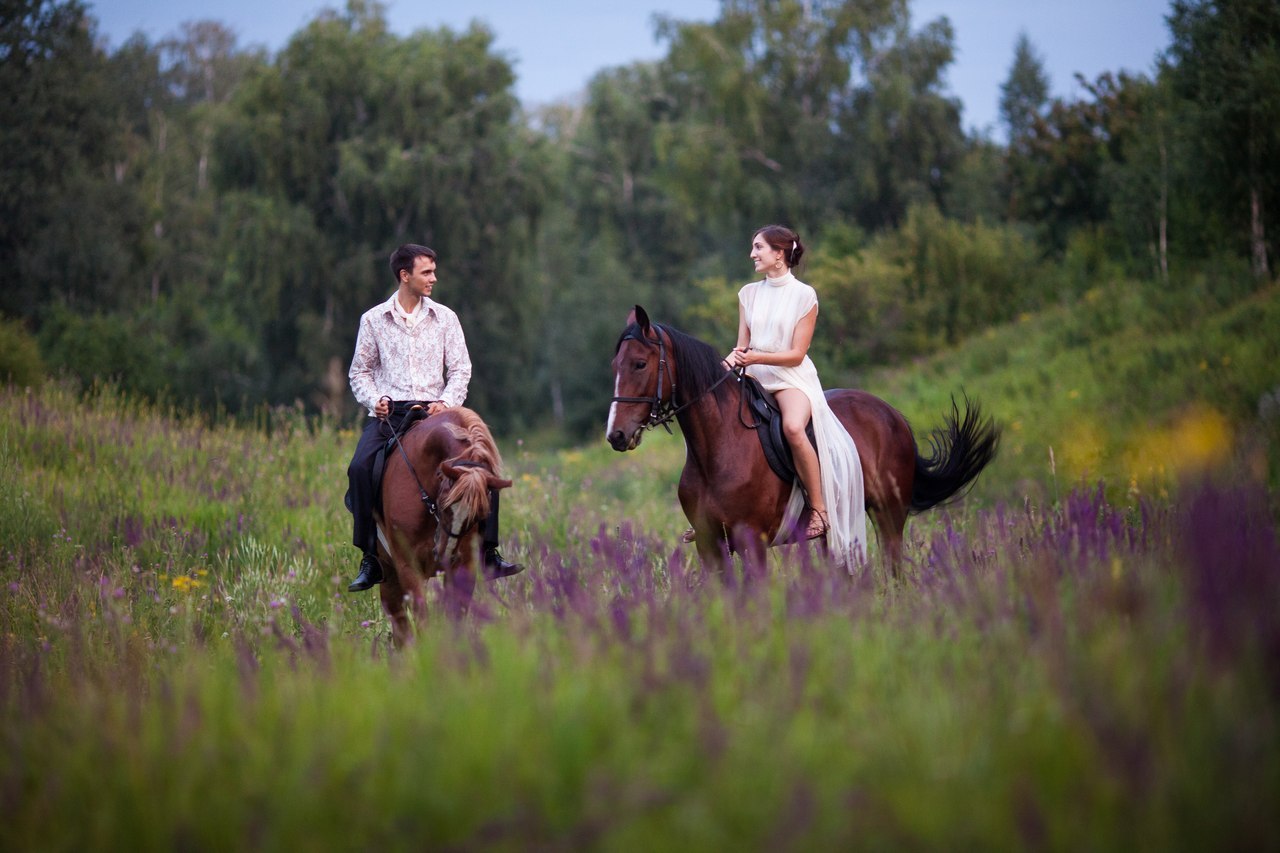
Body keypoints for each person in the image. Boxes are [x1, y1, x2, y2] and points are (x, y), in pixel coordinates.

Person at [345, 243, 523, 592]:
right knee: (359, 468)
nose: (434, 278)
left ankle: (488, 550)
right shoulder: (373, 320)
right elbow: (359, 372)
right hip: (391, 413)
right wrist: (374, 399)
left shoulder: (446, 318)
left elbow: (460, 369)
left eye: (433, 271)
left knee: (482, 467)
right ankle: (370, 555)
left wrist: (446, 402)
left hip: (439, 412)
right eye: (427, 272)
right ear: (404, 275)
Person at [721, 224, 867, 569]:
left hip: (790, 379)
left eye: (758, 247)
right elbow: (741, 345)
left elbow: (796, 354)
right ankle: (715, 509)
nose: (752, 254)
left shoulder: (805, 296)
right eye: (753, 247)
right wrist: (723, 367)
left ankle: (818, 509)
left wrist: (755, 357)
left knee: (792, 429)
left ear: (779, 253)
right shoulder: (747, 294)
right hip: (753, 377)